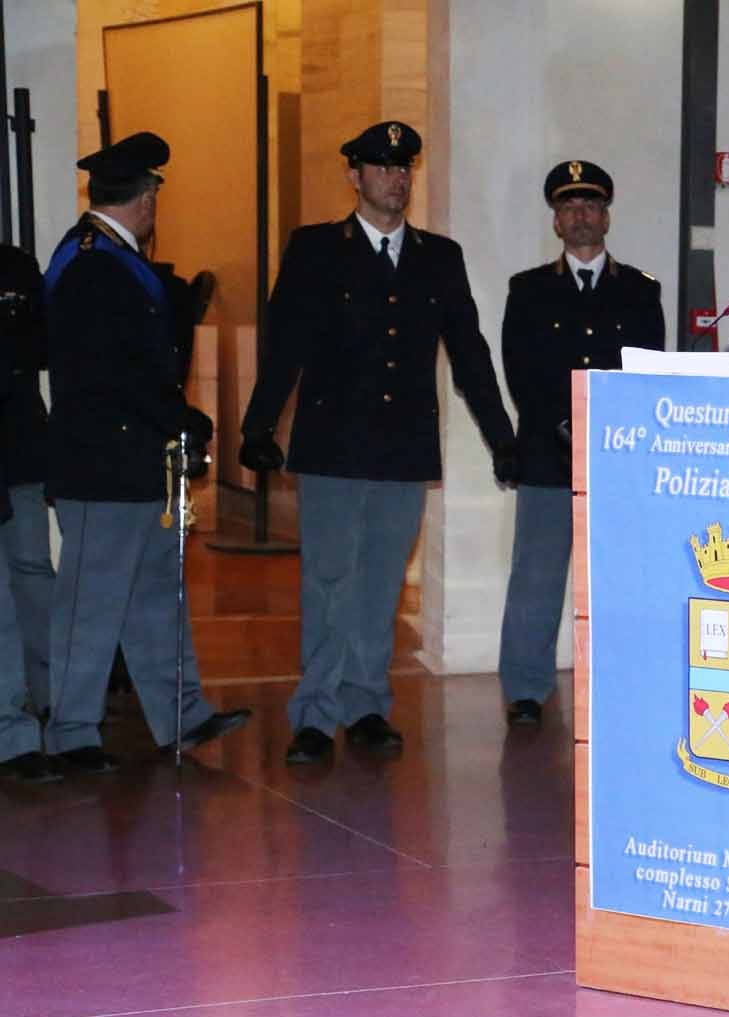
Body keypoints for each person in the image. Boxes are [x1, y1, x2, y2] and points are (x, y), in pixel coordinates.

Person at [239, 121, 519, 766]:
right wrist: (258, 426)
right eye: (384, 167)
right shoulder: (316, 249)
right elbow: (286, 345)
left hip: (401, 446)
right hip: (333, 445)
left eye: (405, 168)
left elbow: (469, 351)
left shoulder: (438, 257)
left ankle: (365, 704)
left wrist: (502, 437)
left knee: (381, 581)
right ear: (355, 176)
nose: (397, 179)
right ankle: (314, 712)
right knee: (329, 579)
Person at [41, 132, 250, 772]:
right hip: (102, 463)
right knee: (90, 604)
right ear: (147, 195)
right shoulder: (91, 261)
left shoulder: (109, 256)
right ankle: (73, 732)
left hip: (137, 462)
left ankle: (181, 716)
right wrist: (179, 416)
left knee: (156, 595)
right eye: (156, 188)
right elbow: (112, 374)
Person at [498, 159, 663, 728]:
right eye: (569, 207)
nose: (580, 216)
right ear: (556, 223)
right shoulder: (529, 290)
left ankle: (619, 681)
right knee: (537, 579)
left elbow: (645, 372)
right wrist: (565, 430)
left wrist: (608, 432)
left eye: (590, 205)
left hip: (617, 457)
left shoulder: (641, 291)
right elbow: (520, 373)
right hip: (547, 455)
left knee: (620, 577)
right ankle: (525, 688)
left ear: (606, 217)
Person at [0, 244, 53, 718]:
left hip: (19, 448)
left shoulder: (14, 265)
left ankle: (51, 698)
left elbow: (42, 347)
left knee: (34, 571)